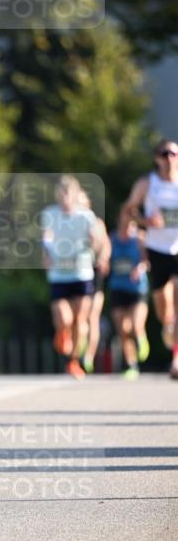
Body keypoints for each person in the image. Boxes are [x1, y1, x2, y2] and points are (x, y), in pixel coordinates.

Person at [123, 140, 178, 380]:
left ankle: (176, 360)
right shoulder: (147, 184)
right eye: (164, 154)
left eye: (174, 153)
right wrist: (146, 221)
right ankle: (169, 330)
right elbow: (128, 210)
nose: (169, 158)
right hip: (157, 250)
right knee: (164, 311)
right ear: (157, 158)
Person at [41, 176, 99, 379]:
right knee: (64, 318)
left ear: (75, 195)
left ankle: (73, 360)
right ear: (58, 195)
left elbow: (96, 240)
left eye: (69, 193)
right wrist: (47, 254)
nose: (65, 197)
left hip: (81, 273)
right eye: (62, 193)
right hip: (59, 274)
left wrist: (94, 242)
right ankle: (62, 334)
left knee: (79, 320)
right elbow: (46, 238)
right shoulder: (50, 214)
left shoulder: (86, 216)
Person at [107, 211, 150, 379]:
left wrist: (140, 269)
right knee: (123, 330)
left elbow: (147, 261)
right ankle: (131, 364)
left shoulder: (140, 238)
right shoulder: (112, 238)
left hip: (137, 289)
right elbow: (104, 254)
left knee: (135, 324)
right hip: (118, 288)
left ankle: (141, 338)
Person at [79, 190, 111, 373]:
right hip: (76, 273)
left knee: (92, 316)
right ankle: (78, 349)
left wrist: (103, 258)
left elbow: (106, 245)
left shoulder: (96, 222)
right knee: (80, 316)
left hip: (94, 272)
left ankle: (88, 356)